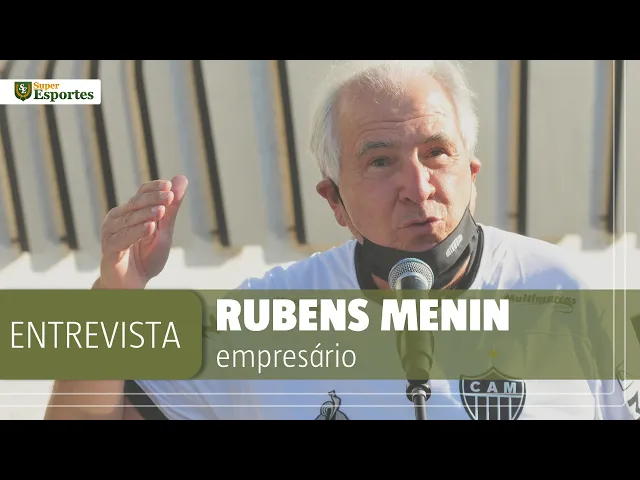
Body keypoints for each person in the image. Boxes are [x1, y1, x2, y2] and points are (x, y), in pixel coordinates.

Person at [44, 60, 636, 420]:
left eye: (437, 152)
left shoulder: (570, 294)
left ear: (471, 173)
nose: (417, 187)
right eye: (380, 161)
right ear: (334, 201)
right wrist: (115, 296)